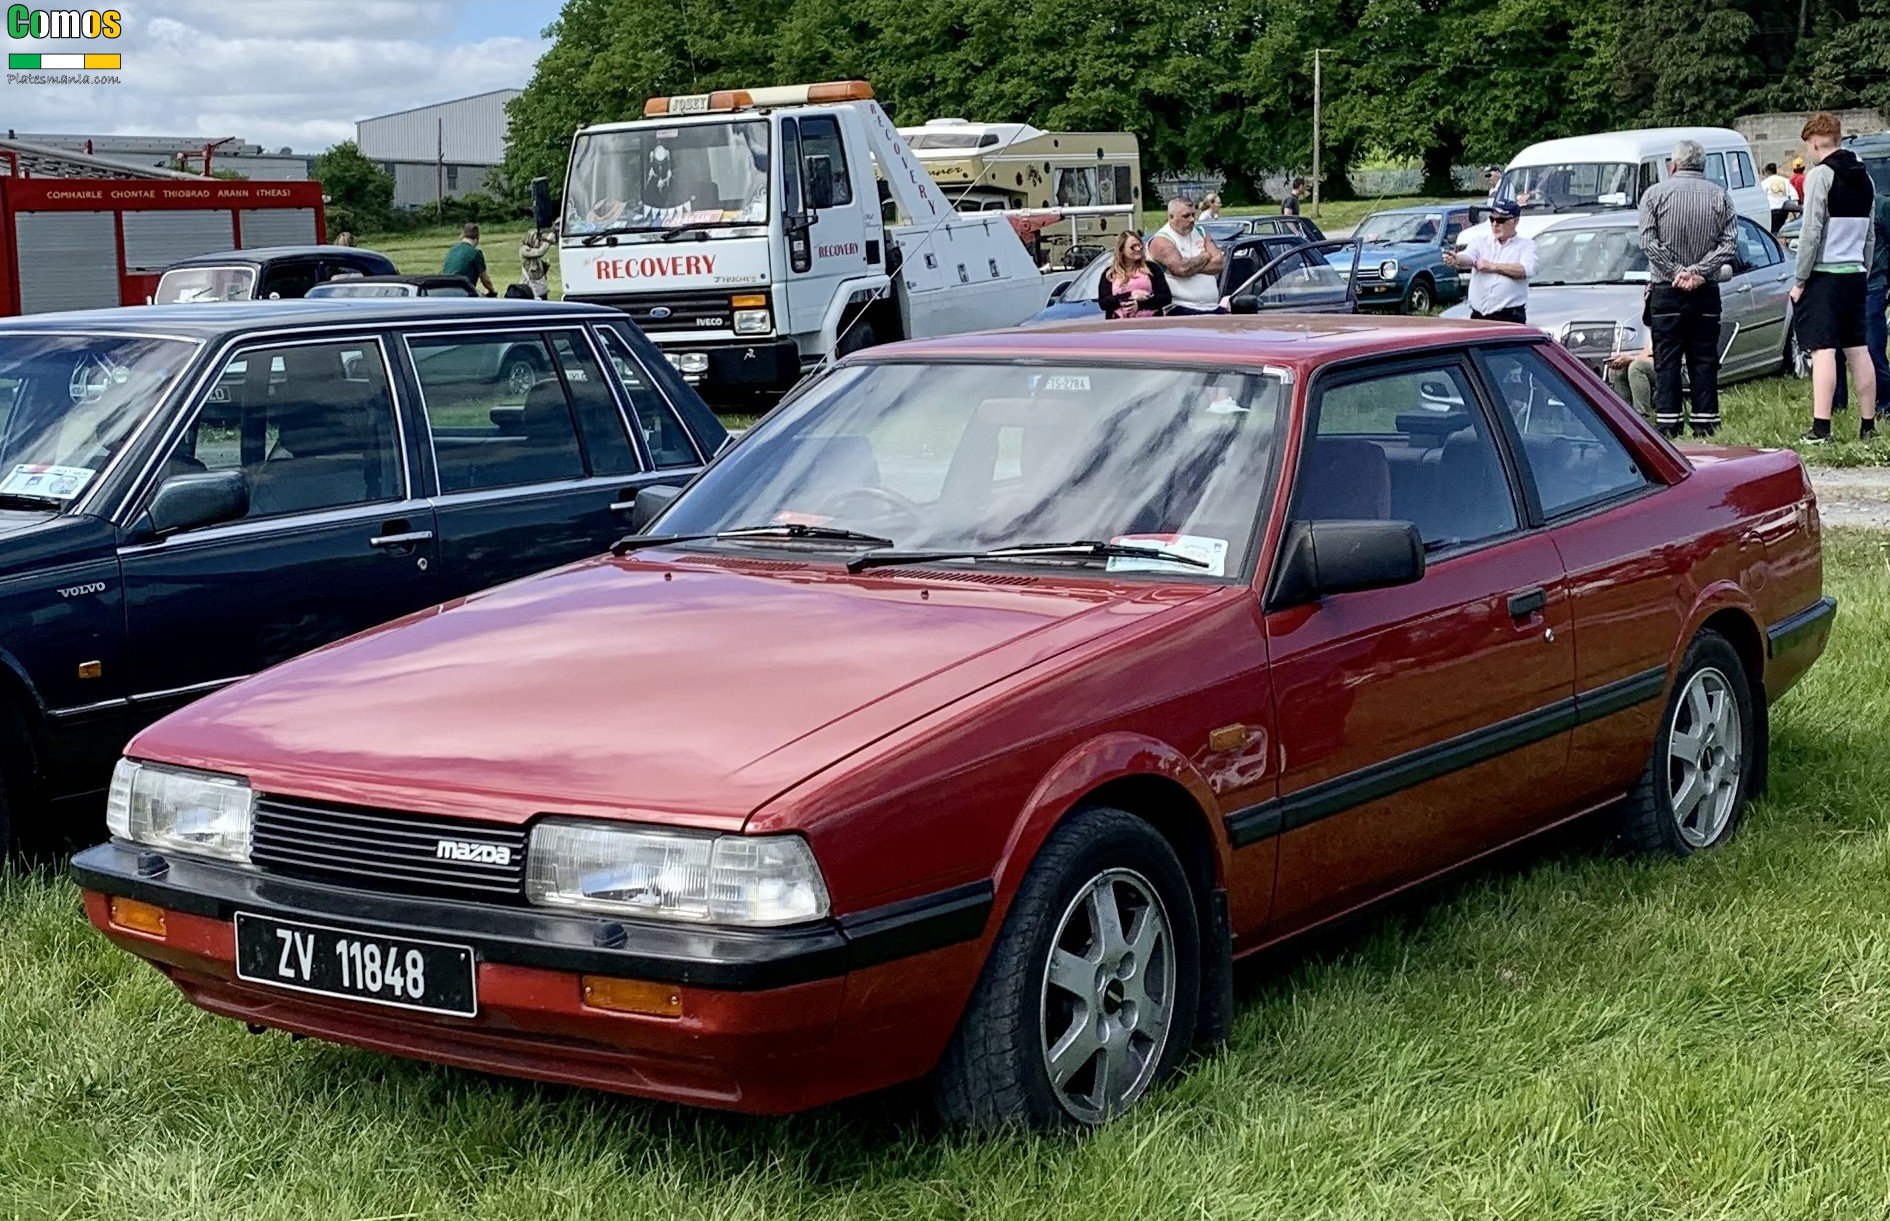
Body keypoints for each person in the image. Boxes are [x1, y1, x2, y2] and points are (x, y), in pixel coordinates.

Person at [1637, 138, 1738, 437]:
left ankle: (1668, 423)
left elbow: (1647, 241)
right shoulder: (1720, 196)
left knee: (1666, 357)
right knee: (1704, 357)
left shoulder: (1654, 195)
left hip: (1666, 290)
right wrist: (1698, 272)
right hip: (1705, 291)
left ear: (1673, 165)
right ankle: (1705, 422)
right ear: (1703, 166)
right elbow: (1729, 243)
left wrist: (1676, 271)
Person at [1792, 112, 1877, 444]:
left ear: (1814, 142)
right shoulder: (1865, 179)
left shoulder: (1820, 176)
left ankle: (1821, 427)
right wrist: (1864, 272)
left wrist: (1800, 281)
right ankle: (1868, 425)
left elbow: (1811, 232)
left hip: (1825, 275)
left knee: (1823, 350)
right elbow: (1869, 236)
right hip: (1855, 273)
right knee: (1859, 348)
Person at [1442, 198, 1536, 323]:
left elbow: (1525, 270)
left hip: (1509, 317)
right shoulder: (1480, 242)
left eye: (1501, 220)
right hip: (1478, 316)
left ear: (1515, 221)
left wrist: (1492, 267)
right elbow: (1469, 257)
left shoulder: (1526, 245)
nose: (1495, 224)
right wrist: (1457, 259)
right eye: (1492, 219)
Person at [1148, 197, 1225, 314]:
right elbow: (1181, 269)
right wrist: (1204, 256)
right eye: (1186, 216)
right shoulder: (1162, 240)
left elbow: (1219, 263)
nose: (1192, 219)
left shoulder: (1200, 231)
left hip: (1212, 307)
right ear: (1171, 217)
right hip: (1181, 307)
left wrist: (1192, 266)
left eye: (1193, 215)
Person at [1097, 231, 1171, 318]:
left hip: (1150, 325)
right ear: (1122, 250)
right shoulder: (1110, 273)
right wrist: (1130, 295)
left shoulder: (1152, 268)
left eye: (1139, 245)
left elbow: (1166, 297)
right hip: (1119, 326)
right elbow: (1103, 303)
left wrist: (1140, 304)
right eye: (1133, 247)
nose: (1138, 249)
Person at [442, 222, 496, 297]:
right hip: (463, 290)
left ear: (463, 235)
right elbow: (485, 279)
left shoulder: (452, 250)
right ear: (477, 238)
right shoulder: (476, 253)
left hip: (444, 288)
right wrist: (492, 291)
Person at [1761, 162, 1799, 234]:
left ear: (1768, 171)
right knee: (1781, 230)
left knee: (1772, 231)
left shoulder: (1764, 182)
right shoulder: (1785, 181)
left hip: (1771, 210)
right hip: (1784, 210)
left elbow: (1761, 197)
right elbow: (1794, 195)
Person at [519, 225, 553, 300]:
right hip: (530, 288)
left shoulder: (533, 248)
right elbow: (540, 252)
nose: (539, 241)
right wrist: (548, 240)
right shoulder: (524, 249)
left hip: (540, 288)